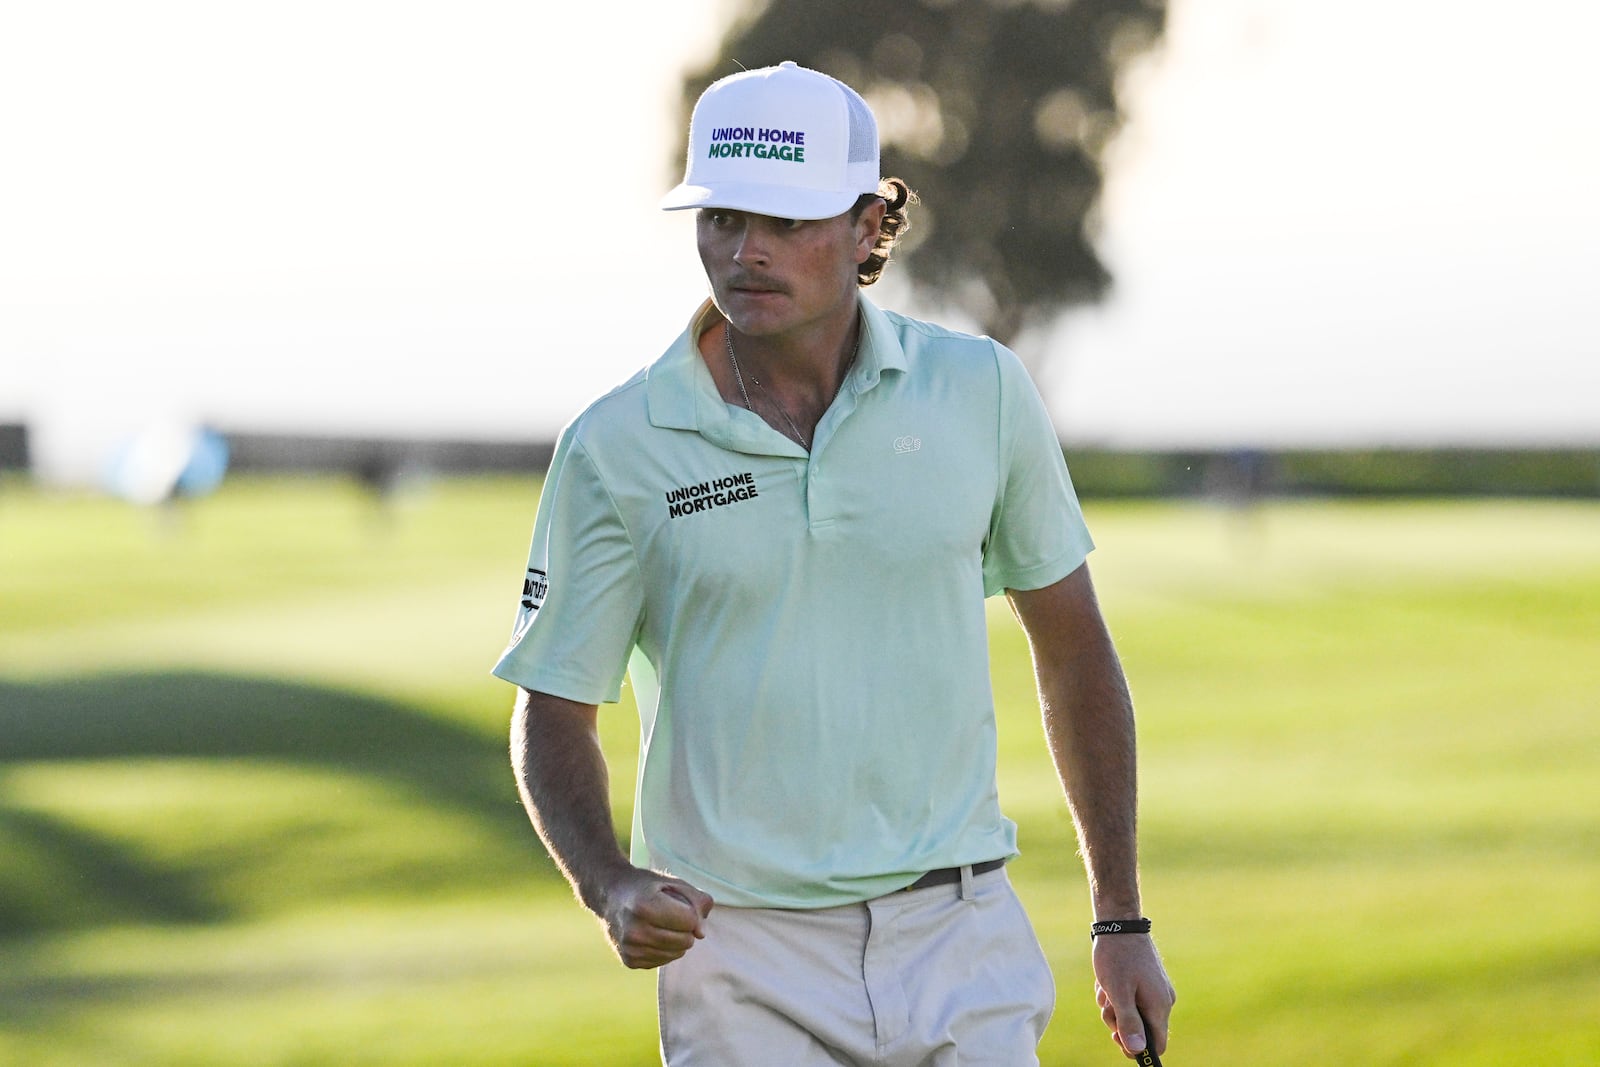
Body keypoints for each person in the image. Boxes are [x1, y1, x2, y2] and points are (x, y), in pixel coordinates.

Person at [493, 60, 1174, 1065]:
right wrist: (611, 882)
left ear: (867, 227)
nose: (746, 250)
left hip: (959, 927)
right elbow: (551, 706)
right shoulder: (617, 443)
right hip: (741, 951)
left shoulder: (980, 391)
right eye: (722, 217)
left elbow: (1074, 652)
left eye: (785, 220)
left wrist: (1118, 916)